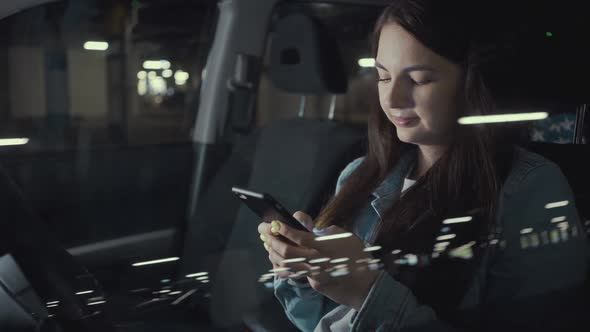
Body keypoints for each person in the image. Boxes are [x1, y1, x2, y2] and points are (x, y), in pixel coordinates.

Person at [257, 0, 590, 331]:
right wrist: (303, 271)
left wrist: (367, 292)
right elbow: (321, 322)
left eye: (417, 80)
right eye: (383, 77)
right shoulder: (359, 174)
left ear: (472, 83)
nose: (392, 99)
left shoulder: (529, 189)